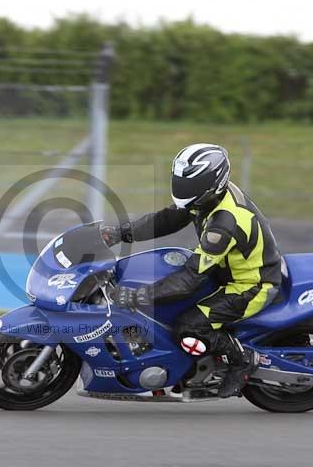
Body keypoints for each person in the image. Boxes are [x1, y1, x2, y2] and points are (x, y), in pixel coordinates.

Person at [101, 143, 282, 398]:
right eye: (181, 183)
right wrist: (120, 233)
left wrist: (137, 296)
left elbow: (188, 280)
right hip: (224, 271)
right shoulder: (207, 197)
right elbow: (167, 219)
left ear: (212, 183)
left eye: (190, 186)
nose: (183, 191)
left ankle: (242, 360)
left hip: (251, 285)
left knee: (187, 327)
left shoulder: (224, 224)